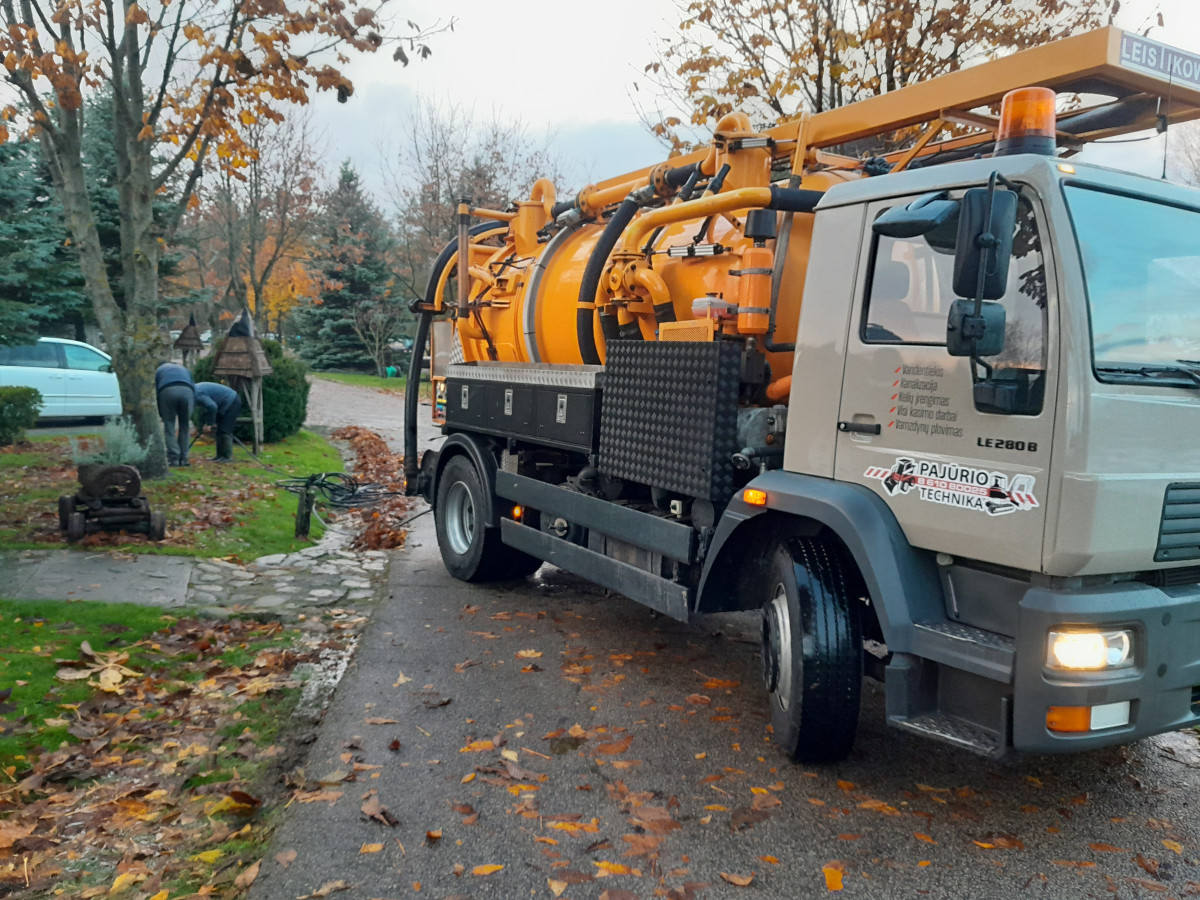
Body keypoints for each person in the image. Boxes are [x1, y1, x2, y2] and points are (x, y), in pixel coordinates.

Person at [154, 361, 195, 466]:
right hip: (187, 391)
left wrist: (161, 412)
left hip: (167, 391)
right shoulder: (184, 369)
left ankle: (174, 458)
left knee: (169, 426)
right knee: (185, 426)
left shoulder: (159, 370)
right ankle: (184, 458)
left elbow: (157, 392)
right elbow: (193, 387)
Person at [194, 381, 242, 462]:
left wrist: (209, 424)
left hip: (231, 401)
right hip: (222, 404)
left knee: (225, 430)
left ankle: (226, 457)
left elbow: (212, 406)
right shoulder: (194, 391)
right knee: (219, 431)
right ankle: (219, 456)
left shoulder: (197, 394)